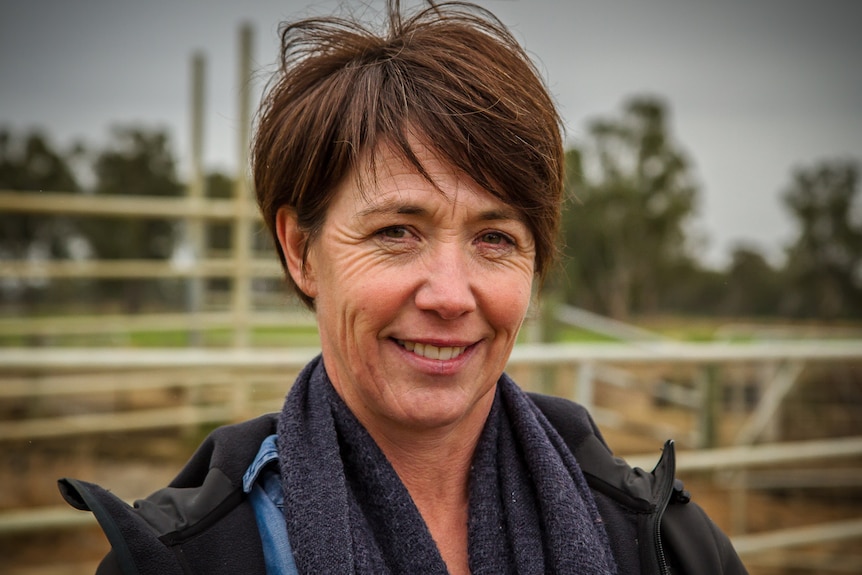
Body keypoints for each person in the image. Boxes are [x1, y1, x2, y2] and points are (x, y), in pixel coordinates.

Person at [59, 1, 747, 573]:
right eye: (396, 231)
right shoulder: (183, 558)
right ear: (301, 250)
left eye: (495, 238)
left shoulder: (663, 544)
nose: (450, 294)